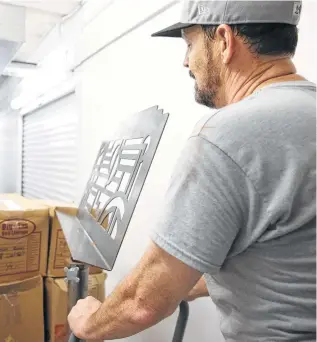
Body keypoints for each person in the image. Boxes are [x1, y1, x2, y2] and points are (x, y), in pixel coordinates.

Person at [68, 1, 316, 341]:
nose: (186, 61)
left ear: (225, 41)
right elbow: (291, 256)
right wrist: (190, 283)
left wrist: (88, 322)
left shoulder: (227, 136)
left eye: (190, 43)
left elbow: (143, 303)